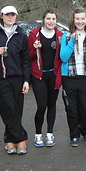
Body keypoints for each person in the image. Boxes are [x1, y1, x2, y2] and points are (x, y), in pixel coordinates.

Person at [0, 5, 30, 155]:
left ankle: (9, 140)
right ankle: (21, 138)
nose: (10, 17)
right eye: (7, 15)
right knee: (8, 109)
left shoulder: (21, 35)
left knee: (17, 110)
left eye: (13, 15)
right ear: (2, 16)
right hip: (0, 78)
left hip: (18, 78)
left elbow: (26, 60)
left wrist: (26, 80)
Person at [28, 9, 63, 147]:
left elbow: (62, 56)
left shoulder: (60, 35)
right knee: (41, 105)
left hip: (53, 75)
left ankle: (49, 134)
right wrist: (34, 49)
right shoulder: (34, 34)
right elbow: (29, 56)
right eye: (48, 19)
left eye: (53, 19)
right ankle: (38, 134)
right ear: (43, 19)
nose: (51, 22)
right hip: (39, 76)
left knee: (52, 105)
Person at [60, 7, 86, 147]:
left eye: (82, 18)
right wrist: (72, 42)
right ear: (73, 20)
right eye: (77, 18)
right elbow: (63, 57)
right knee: (71, 109)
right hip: (70, 78)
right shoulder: (66, 36)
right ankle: (74, 135)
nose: (80, 21)